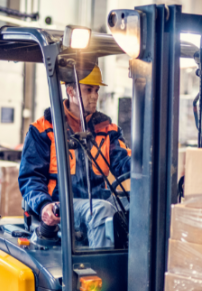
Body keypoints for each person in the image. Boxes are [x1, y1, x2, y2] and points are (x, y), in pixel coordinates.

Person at [19, 65, 131, 248]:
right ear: (70, 90)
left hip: (98, 199)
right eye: (88, 90)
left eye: (96, 90)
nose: (95, 96)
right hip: (61, 204)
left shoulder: (107, 129)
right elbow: (30, 178)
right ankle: (102, 273)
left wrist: (147, 163)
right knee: (100, 211)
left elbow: (124, 162)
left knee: (139, 206)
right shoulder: (43, 129)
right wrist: (43, 205)